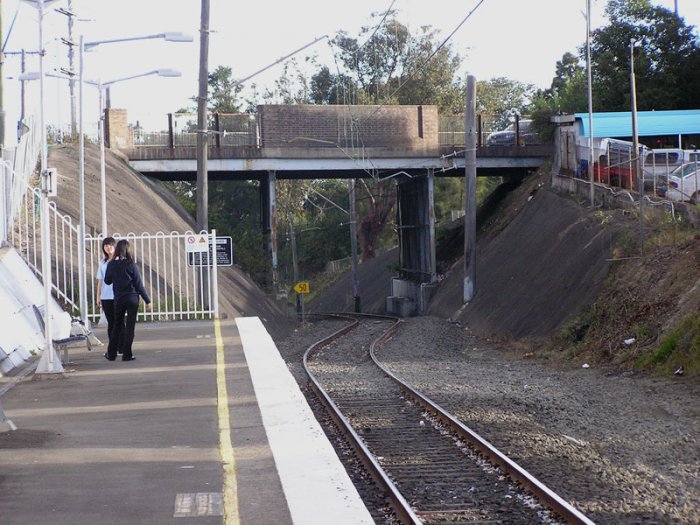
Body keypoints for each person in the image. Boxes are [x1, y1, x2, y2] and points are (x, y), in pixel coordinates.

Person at [104, 239, 152, 361]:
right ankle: (127, 354)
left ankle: (111, 354)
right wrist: (147, 300)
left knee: (116, 325)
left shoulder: (111, 264)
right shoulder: (131, 264)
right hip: (132, 298)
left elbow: (107, 281)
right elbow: (138, 284)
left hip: (119, 299)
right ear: (127, 250)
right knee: (130, 327)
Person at [95, 237, 117, 348]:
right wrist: (98, 296)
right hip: (106, 296)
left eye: (109, 245)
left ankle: (121, 346)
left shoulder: (119, 260)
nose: (107, 247)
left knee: (119, 321)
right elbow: (100, 280)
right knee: (111, 323)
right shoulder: (102, 262)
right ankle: (112, 347)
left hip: (118, 296)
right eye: (105, 245)